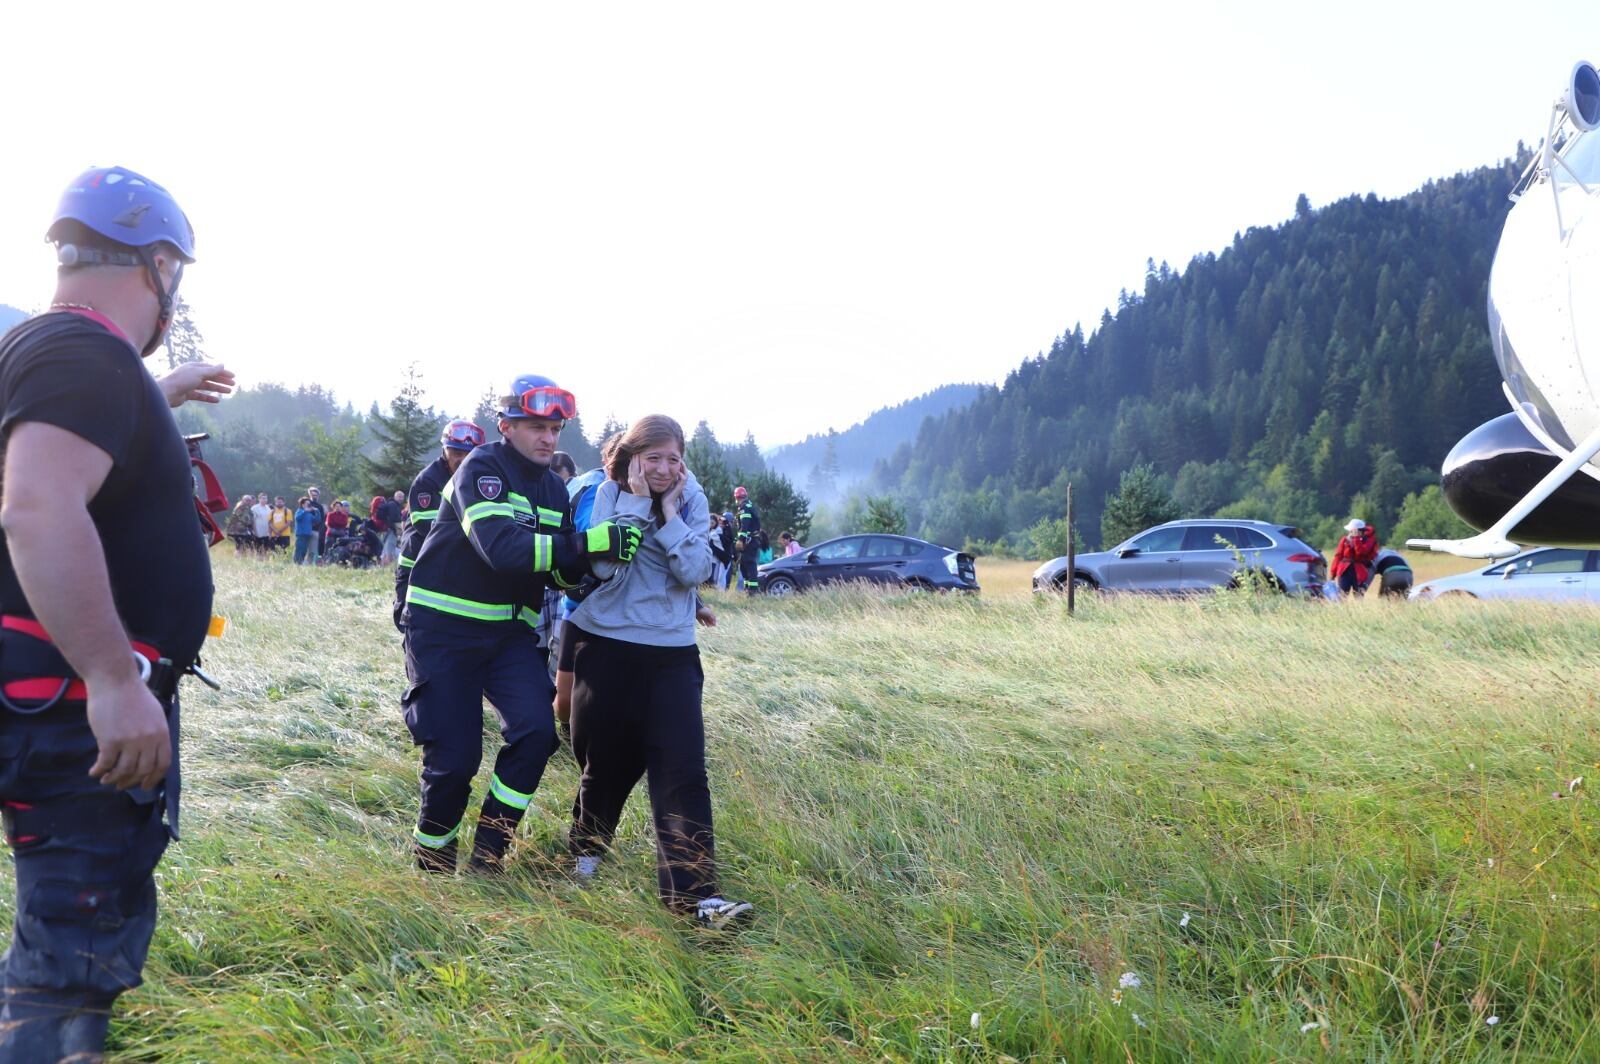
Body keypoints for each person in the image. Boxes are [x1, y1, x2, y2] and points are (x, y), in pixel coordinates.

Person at [0, 164, 229, 1061]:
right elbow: (37, 506)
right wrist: (110, 679)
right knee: (63, 969)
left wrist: (158, 390)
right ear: (159, 266)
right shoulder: (82, 352)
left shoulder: (64, 356)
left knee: (73, 948)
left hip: (54, 701)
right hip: (70, 711)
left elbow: (77, 445)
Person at [400, 375, 639, 874]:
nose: (548, 438)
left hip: (508, 637)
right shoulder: (480, 468)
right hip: (443, 632)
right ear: (506, 427)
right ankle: (432, 867)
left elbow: (555, 570)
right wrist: (588, 544)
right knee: (455, 759)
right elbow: (503, 550)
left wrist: (596, 565)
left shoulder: (553, 488)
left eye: (555, 429)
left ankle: (488, 857)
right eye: (536, 427)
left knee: (536, 734)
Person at [567, 415, 754, 931]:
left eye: (674, 459)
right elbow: (603, 567)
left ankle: (698, 899)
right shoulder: (608, 492)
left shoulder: (690, 498)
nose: (665, 469)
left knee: (684, 773)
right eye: (654, 458)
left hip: (672, 652)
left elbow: (696, 570)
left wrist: (670, 513)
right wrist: (634, 504)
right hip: (606, 644)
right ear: (633, 458)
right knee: (606, 766)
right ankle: (585, 853)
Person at [395, 419, 486, 630]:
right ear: (444, 450)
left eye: (468, 454)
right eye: (456, 452)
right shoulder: (427, 481)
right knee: (412, 625)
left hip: (451, 566)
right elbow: (430, 527)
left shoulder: (478, 478)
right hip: (417, 564)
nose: (462, 459)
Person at [1330, 518, 1380, 595]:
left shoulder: (1368, 540)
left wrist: (1356, 539)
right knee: (1342, 596)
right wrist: (1333, 574)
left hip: (1359, 572)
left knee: (1358, 595)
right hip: (1344, 571)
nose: (1350, 533)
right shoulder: (1344, 540)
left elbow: (1360, 552)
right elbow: (1338, 557)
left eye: (1352, 531)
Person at [733, 486, 761, 594]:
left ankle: (752, 591)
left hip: (750, 541)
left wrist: (741, 539)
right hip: (750, 541)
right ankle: (747, 588)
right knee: (744, 566)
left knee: (750, 564)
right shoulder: (748, 506)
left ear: (737, 498)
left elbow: (745, 524)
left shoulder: (745, 508)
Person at [304, 487, 327, 564]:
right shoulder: (305, 504)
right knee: (304, 548)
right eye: (313, 495)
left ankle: (310, 564)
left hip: (316, 530)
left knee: (313, 549)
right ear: (309, 495)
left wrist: (320, 530)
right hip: (305, 530)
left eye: (316, 495)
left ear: (318, 496)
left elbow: (322, 519)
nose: (314, 496)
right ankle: (301, 563)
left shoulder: (320, 506)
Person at [293, 497, 317, 564]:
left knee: (304, 550)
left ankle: (301, 562)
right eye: (307, 503)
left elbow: (317, 520)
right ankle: (296, 563)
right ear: (302, 504)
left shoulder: (309, 513)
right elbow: (297, 518)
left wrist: (317, 511)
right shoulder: (299, 511)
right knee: (299, 549)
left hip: (307, 535)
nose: (308, 505)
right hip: (300, 534)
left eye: (309, 503)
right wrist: (305, 511)